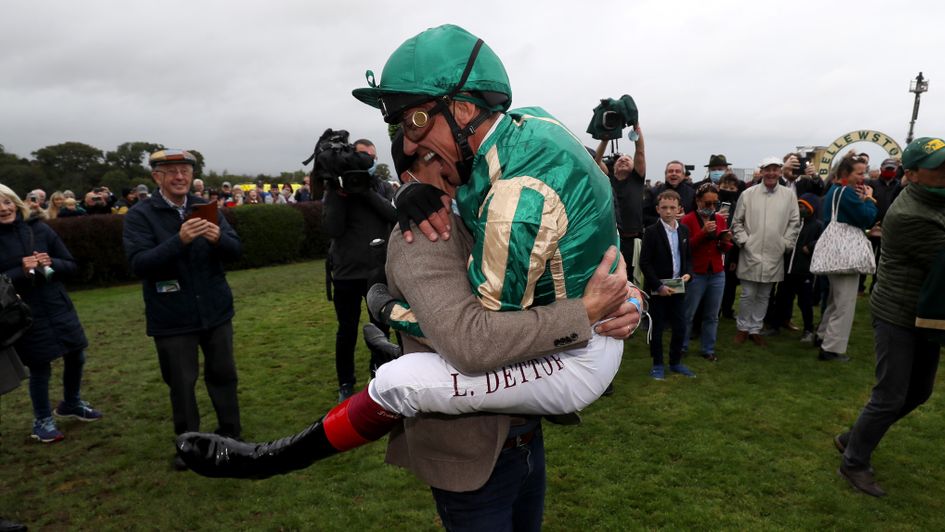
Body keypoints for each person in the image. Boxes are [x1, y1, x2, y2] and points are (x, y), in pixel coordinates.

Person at [178, 24, 638, 531]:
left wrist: (629, 302)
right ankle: (270, 457)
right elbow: (475, 343)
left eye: (418, 127)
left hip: (527, 437)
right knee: (400, 380)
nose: (426, 151)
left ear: (463, 112)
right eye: (414, 149)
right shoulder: (422, 237)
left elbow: (583, 261)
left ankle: (384, 339)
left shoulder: (487, 193)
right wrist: (588, 313)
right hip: (469, 460)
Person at [835, 136, 945, 497]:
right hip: (899, 314)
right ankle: (854, 461)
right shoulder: (912, 215)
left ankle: (854, 438)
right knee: (890, 396)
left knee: (919, 392)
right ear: (912, 175)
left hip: (926, 315)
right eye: (937, 168)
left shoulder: (933, 200)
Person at [122, 149, 242, 470]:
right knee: (181, 382)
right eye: (171, 171)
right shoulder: (140, 215)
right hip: (172, 317)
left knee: (223, 375)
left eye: (185, 171)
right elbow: (139, 264)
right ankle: (189, 446)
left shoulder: (205, 208)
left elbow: (236, 250)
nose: (179, 177)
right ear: (156, 177)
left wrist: (219, 239)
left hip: (215, 310)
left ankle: (232, 435)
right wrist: (179, 240)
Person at [0, 184, 102, 443]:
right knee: (40, 367)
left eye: (7, 202)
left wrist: (51, 262)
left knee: (76, 355)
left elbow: (70, 264)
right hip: (24, 314)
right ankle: (42, 420)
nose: (3, 208)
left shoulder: (39, 229)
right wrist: (19, 271)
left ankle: (71, 402)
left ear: (17, 203)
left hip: (57, 304)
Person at [320, 134, 397, 402]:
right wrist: (342, 193)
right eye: (363, 157)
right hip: (346, 274)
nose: (367, 163)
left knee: (381, 328)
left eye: (372, 158)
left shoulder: (382, 186)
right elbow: (332, 229)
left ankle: (380, 375)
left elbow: (393, 214)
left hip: (377, 271)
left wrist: (365, 192)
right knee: (347, 330)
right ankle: (345, 383)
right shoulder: (336, 191)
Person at [730, 157, 800, 346]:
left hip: (774, 252)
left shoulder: (788, 195)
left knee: (764, 294)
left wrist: (785, 243)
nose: (771, 173)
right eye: (767, 169)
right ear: (761, 171)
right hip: (750, 252)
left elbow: (794, 222)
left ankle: (755, 328)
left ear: (779, 172)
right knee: (748, 293)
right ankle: (743, 328)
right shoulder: (748, 194)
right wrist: (745, 241)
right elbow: (737, 222)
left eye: (775, 169)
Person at [815, 153, 877, 362]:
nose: (863, 178)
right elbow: (867, 218)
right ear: (845, 174)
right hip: (846, 255)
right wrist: (869, 199)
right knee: (845, 302)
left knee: (835, 298)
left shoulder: (835, 190)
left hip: (834, 252)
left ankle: (823, 334)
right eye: (859, 173)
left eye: (864, 173)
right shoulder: (848, 193)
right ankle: (832, 348)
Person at [641, 190, 694, 378]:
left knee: (680, 326)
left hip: (678, 288)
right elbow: (644, 262)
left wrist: (688, 273)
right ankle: (657, 364)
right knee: (657, 327)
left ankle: (675, 362)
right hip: (659, 290)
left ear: (680, 209)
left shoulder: (684, 230)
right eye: (664, 208)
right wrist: (658, 286)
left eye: (672, 208)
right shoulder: (651, 232)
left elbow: (687, 258)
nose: (668, 212)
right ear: (657, 209)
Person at [680, 183, 732, 362]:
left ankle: (708, 349)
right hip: (696, 272)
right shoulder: (687, 220)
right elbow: (685, 248)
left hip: (717, 272)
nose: (711, 207)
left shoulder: (720, 219)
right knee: (688, 313)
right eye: (707, 203)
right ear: (697, 201)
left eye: (714, 204)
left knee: (712, 315)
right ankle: (682, 346)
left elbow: (723, 248)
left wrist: (726, 241)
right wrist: (702, 233)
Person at [595, 125, 646, 280]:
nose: (623, 159)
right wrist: (605, 139)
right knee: (611, 277)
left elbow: (640, 151)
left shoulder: (637, 179)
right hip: (611, 239)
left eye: (628, 159)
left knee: (633, 279)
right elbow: (595, 160)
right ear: (613, 166)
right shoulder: (607, 179)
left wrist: (636, 126)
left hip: (634, 240)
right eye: (619, 160)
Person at [776, 193, 824, 343]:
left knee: (805, 302)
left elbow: (822, 240)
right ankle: (776, 324)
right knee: (782, 298)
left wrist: (810, 246)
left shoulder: (817, 225)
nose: (800, 208)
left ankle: (808, 329)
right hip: (787, 270)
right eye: (798, 206)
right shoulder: (793, 223)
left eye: (803, 206)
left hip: (804, 272)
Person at [646, 161, 695, 225]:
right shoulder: (653, 192)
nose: (674, 174)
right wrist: (662, 221)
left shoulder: (692, 193)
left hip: (683, 232)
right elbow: (644, 215)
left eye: (677, 171)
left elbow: (695, 215)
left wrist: (685, 218)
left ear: (683, 175)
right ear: (665, 174)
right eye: (670, 171)